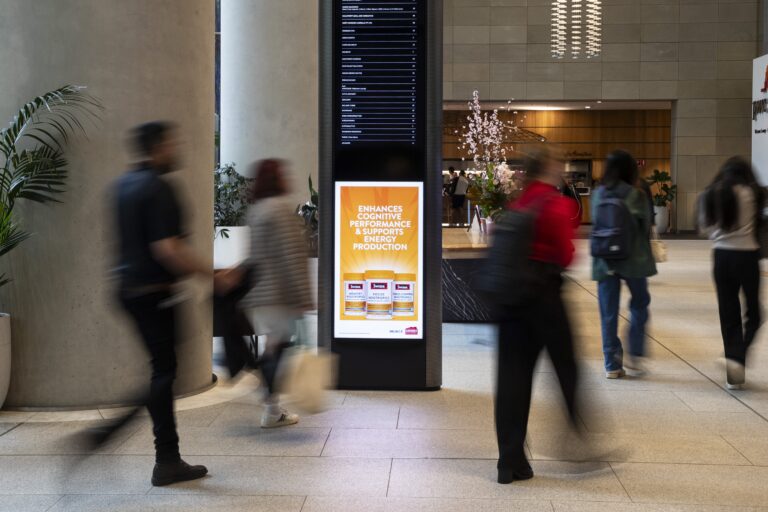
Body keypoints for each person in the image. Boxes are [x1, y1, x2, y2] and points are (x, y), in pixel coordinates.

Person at [110, 121, 230, 486]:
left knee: (161, 369)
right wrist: (212, 277)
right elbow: (168, 248)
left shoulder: (122, 186)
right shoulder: (158, 187)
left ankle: (160, 450)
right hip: (153, 293)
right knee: (163, 373)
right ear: (158, 147)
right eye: (172, 143)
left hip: (127, 289)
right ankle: (166, 459)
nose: (176, 148)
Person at [494, 152, 581, 484]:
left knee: (512, 381)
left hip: (510, 303)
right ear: (548, 170)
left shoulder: (516, 206)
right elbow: (566, 254)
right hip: (544, 298)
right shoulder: (552, 204)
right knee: (567, 368)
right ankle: (580, 439)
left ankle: (509, 462)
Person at [239, 158, 313, 427]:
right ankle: (270, 405)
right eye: (282, 173)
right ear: (276, 178)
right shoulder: (280, 209)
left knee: (274, 345)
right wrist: (303, 296)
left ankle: (271, 405)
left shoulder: (257, 211)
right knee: (278, 348)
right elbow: (291, 256)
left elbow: (253, 256)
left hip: (261, 293)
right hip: (279, 293)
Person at [698, 157, 765, 389]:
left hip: (721, 257)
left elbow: (704, 228)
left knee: (729, 314)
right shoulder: (752, 193)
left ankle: (734, 377)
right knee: (755, 314)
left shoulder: (709, 194)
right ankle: (738, 357)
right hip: (747, 257)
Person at [592, 150, 657, 379]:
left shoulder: (598, 194)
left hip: (604, 260)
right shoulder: (636, 194)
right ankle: (634, 354)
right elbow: (645, 226)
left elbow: (597, 225)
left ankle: (611, 364)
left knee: (608, 312)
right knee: (640, 303)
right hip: (634, 259)